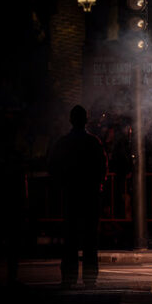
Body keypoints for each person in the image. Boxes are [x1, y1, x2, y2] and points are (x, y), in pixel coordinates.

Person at [48, 105, 108, 289]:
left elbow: (54, 168)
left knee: (70, 239)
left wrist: (62, 186)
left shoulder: (63, 142)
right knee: (90, 239)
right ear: (86, 120)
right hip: (89, 195)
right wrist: (97, 186)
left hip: (71, 195)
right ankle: (90, 278)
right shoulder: (94, 142)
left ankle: (69, 277)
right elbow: (103, 168)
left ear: (70, 120)